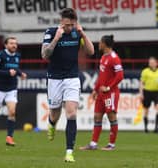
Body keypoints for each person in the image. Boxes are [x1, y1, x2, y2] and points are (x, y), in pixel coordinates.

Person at [41, 8, 94, 162]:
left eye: (71, 25)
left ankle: (69, 152)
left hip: (72, 78)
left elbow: (90, 51)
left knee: (71, 113)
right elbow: (44, 55)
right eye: (66, 25)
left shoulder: (77, 33)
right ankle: (51, 124)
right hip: (54, 78)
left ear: (75, 22)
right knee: (55, 112)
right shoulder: (51, 32)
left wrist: (83, 33)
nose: (69, 28)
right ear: (61, 22)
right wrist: (56, 38)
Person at [80, 35, 124, 151]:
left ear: (105, 44)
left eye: (100, 42)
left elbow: (120, 76)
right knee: (97, 117)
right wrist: (95, 89)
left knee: (111, 117)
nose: (98, 44)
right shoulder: (104, 57)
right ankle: (93, 144)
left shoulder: (114, 58)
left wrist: (109, 88)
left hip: (111, 93)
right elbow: (101, 76)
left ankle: (111, 145)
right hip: (101, 93)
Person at [0, 37, 27, 146]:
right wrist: (7, 73)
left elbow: (15, 68)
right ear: (6, 45)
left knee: (12, 112)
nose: (14, 45)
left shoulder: (17, 55)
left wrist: (21, 74)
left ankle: (9, 138)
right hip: (0, 89)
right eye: (11, 43)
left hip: (12, 88)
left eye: (15, 43)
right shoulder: (0, 55)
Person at [139, 57, 158, 133]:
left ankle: (156, 128)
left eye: (153, 62)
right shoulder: (145, 71)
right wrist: (141, 94)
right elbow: (141, 83)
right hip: (147, 92)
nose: (151, 63)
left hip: (156, 92)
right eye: (150, 62)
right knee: (146, 110)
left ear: (156, 63)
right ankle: (146, 128)